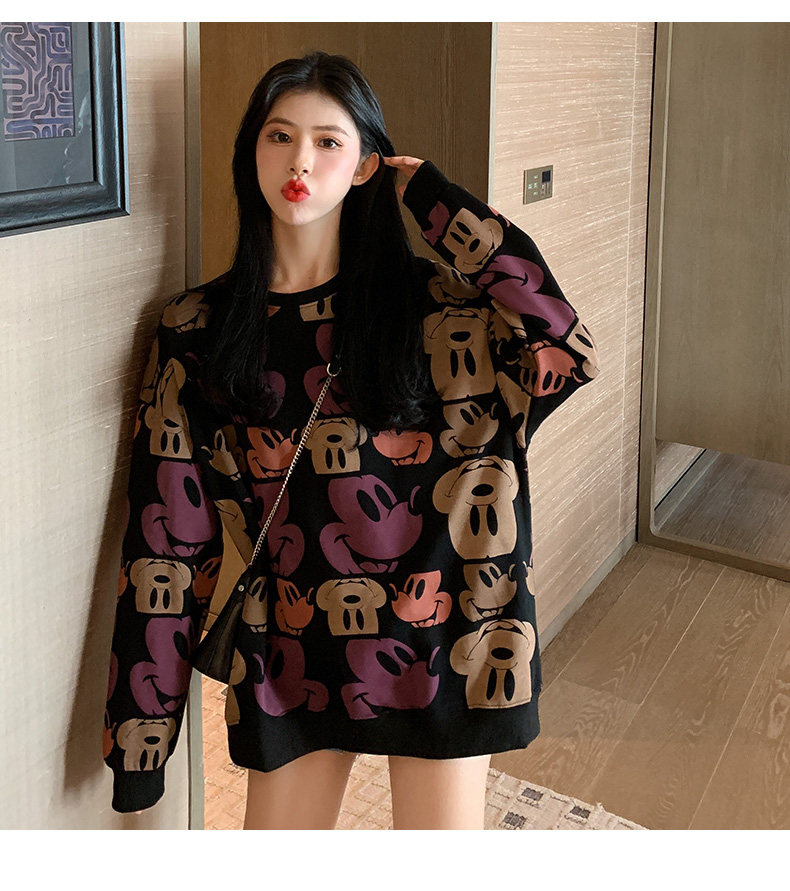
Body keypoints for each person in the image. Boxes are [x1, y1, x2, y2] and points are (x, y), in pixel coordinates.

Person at [103, 50, 600, 829]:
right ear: (251, 151)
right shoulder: (197, 330)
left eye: (328, 141)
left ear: (367, 164)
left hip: (451, 642)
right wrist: (140, 742)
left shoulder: (445, 316)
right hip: (292, 649)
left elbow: (567, 346)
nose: (299, 161)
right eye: (279, 136)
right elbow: (166, 543)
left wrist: (434, 200)